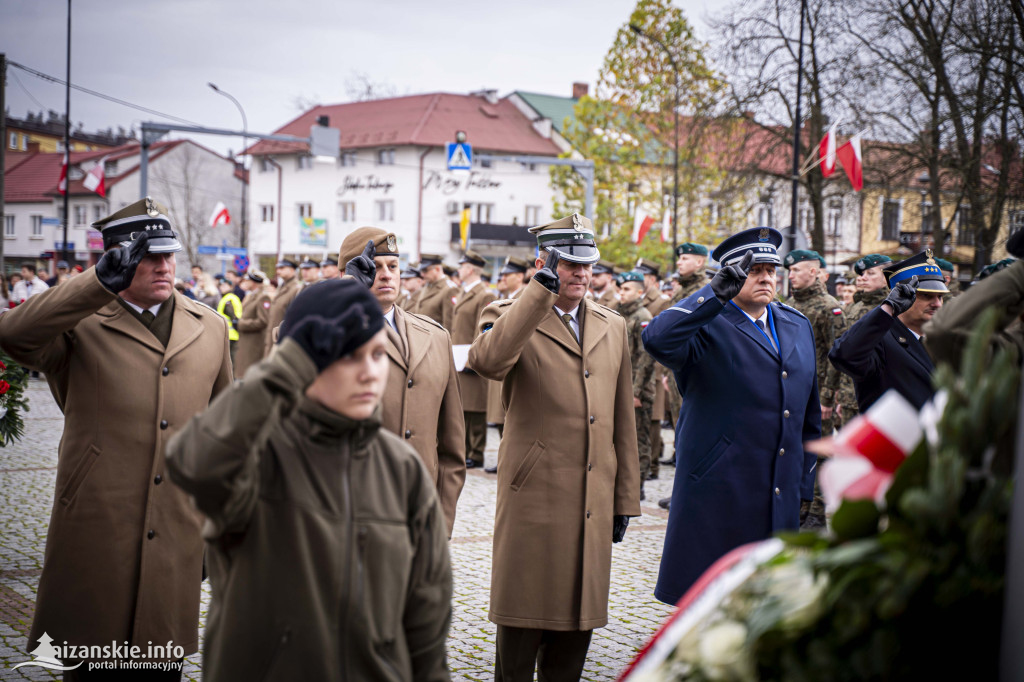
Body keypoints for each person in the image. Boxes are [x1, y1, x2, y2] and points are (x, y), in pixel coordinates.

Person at [165, 279, 452, 682]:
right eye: (351, 356)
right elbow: (193, 462)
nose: (371, 373)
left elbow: (426, 615)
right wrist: (289, 363)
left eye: (377, 354)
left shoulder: (401, 469)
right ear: (306, 361)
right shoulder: (260, 452)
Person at [0, 197, 233, 676]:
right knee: (91, 661)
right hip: (98, 522)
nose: (165, 266)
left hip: (177, 526)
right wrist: (91, 285)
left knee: (160, 664)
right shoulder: (79, 322)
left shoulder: (209, 325)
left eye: (169, 255)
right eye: (150, 256)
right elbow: (12, 335)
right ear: (118, 260)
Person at [469, 213, 640, 682]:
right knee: (522, 628)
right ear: (546, 262)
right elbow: (487, 362)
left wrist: (624, 497)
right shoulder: (508, 314)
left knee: (575, 627)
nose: (582, 274)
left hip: (591, 498)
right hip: (535, 497)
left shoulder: (612, 324)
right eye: (570, 264)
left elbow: (621, 419)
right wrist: (535, 296)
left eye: (588, 264)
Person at [642, 227, 821, 602]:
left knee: (770, 600)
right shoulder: (705, 322)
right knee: (713, 602)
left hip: (779, 488)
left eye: (771, 269)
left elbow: (808, 414)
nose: (766, 277)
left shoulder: (796, 324)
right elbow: (657, 338)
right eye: (754, 270)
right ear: (730, 275)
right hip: (721, 487)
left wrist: (804, 484)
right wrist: (713, 293)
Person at [340, 228, 466, 536]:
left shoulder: (435, 336)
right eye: (375, 267)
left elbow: (451, 446)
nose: (386, 275)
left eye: (393, 267)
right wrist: (342, 299)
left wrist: (443, 520)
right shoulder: (334, 329)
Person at [829, 250, 947, 412]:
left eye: (940, 297)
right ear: (903, 295)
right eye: (927, 295)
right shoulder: (881, 340)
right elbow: (844, 355)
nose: (937, 304)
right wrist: (888, 308)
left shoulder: (941, 341)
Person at [782, 249, 848, 529]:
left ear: (814, 271)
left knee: (818, 451)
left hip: (818, 393)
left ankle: (817, 512)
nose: (791, 275)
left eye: (797, 270)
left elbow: (838, 354)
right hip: (791, 392)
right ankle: (796, 505)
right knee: (793, 449)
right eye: (790, 271)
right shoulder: (788, 304)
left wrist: (827, 397)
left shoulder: (829, 306)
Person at [451, 250, 496, 469]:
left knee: (476, 405)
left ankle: (476, 452)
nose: (459, 270)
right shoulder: (463, 292)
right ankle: (466, 449)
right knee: (464, 405)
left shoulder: (484, 294)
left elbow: (484, 327)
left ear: (470, 269)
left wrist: (472, 358)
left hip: (471, 357)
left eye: (462, 267)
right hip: (457, 354)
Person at [484, 257, 529, 465]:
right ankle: (506, 460)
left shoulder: (526, 298)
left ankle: (514, 462)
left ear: (519, 276)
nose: (503, 277)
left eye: (508, 274)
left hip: (518, 365)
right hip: (502, 362)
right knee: (501, 416)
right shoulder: (505, 297)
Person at [617, 270, 656, 500]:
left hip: (638, 389)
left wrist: (637, 391)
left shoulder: (643, 316)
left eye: (627, 289)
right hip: (622, 386)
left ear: (640, 292)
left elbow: (646, 357)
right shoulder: (621, 313)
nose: (622, 294)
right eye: (620, 289)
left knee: (639, 439)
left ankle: (638, 485)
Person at [637, 258, 670, 481]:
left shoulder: (660, 302)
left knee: (654, 419)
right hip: (641, 367)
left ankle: (654, 463)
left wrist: (661, 371)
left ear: (651, 279)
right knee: (643, 419)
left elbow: (664, 337)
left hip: (655, 369)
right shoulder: (642, 299)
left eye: (642, 276)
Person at [234, 268, 272, 378]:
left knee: (248, 376)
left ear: (254, 282)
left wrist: (241, 324)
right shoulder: (251, 296)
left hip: (253, 344)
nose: (245, 282)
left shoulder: (263, 297)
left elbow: (263, 321)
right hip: (246, 342)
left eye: (247, 280)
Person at [263, 258, 301, 357]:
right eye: (278, 268)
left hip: (282, 342)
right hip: (273, 339)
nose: (278, 271)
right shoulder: (282, 287)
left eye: (282, 268)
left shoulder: (295, 289)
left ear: (293, 269)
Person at [409, 254, 456, 329]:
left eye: (425, 270)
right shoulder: (428, 286)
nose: (422, 274)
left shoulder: (449, 289)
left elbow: (449, 323)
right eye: (421, 271)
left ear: (437, 269)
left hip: (437, 338)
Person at [216, 278, 243, 366]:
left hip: (231, 335)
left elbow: (234, 317)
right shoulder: (225, 298)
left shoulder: (229, 299)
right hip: (228, 334)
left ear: (231, 287)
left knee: (230, 361)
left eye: (224, 286)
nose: (222, 288)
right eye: (221, 286)